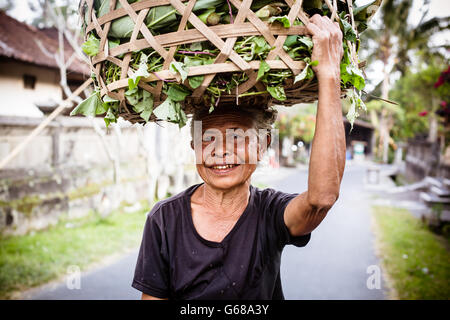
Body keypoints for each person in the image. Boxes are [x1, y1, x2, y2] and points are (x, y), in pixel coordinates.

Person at [131, 14, 345, 300]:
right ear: (194, 146)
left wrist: (329, 75)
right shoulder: (165, 219)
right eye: (208, 138)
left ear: (262, 145)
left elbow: (321, 199)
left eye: (236, 136)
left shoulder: (270, 214)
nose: (220, 150)